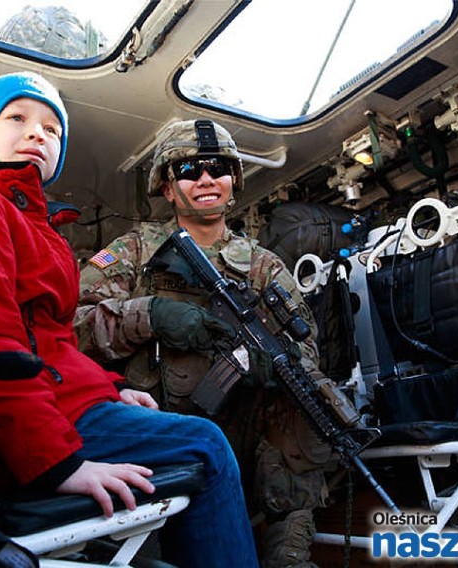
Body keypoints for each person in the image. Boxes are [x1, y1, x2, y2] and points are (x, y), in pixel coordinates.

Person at [0, 72, 258, 568]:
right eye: (17, 118)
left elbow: (51, 342)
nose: (36, 134)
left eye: (52, 129)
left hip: (63, 405)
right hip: (25, 430)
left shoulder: (25, 218)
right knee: (205, 446)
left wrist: (109, 390)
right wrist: (56, 462)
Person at [75, 119, 331, 568]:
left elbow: (306, 351)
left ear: (233, 181)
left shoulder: (263, 266)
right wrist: (149, 314)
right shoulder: (133, 252)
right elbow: (72, 330)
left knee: (307, 402)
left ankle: (289, 552)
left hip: (241, 424)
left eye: (218, 169)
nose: (206, 179)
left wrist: (270, 364)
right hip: (156, 417)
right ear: (169, 189)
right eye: (190, 170)